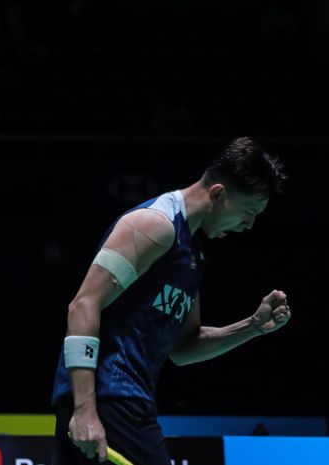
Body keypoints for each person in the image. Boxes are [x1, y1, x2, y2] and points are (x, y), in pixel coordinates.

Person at [51, 137, 290, 465]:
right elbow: (83, 305)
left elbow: (183, 348)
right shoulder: (154, 225)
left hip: (127, 399)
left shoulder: (193, 251)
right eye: (249, 212)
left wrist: (253, 327)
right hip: (108, 396)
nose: (248, 225)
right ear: (219, 194)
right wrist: (85, 410)